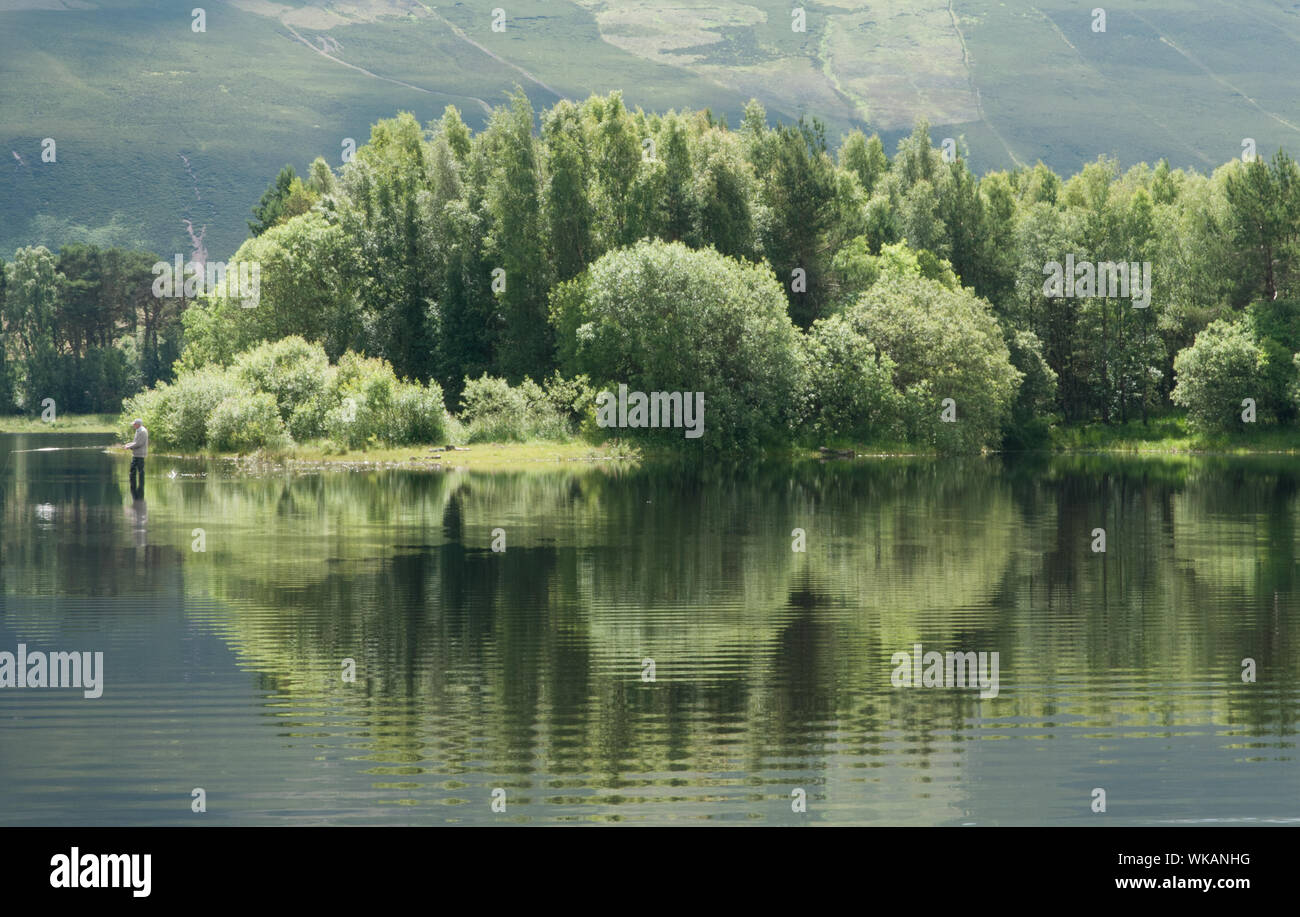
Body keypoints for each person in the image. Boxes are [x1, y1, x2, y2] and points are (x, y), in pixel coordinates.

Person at [122, 418, 148, 497]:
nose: (133, 425)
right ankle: (133, 483)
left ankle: (141, 485)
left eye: (134, 424)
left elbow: (139, 443)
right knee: (132, 469)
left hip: (140, 454)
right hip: (136, 454)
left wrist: (129, 447)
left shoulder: (143, 431)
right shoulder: (138, 430)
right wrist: (128, 444)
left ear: (138, 424)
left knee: (140, 470)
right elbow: (135, 442)